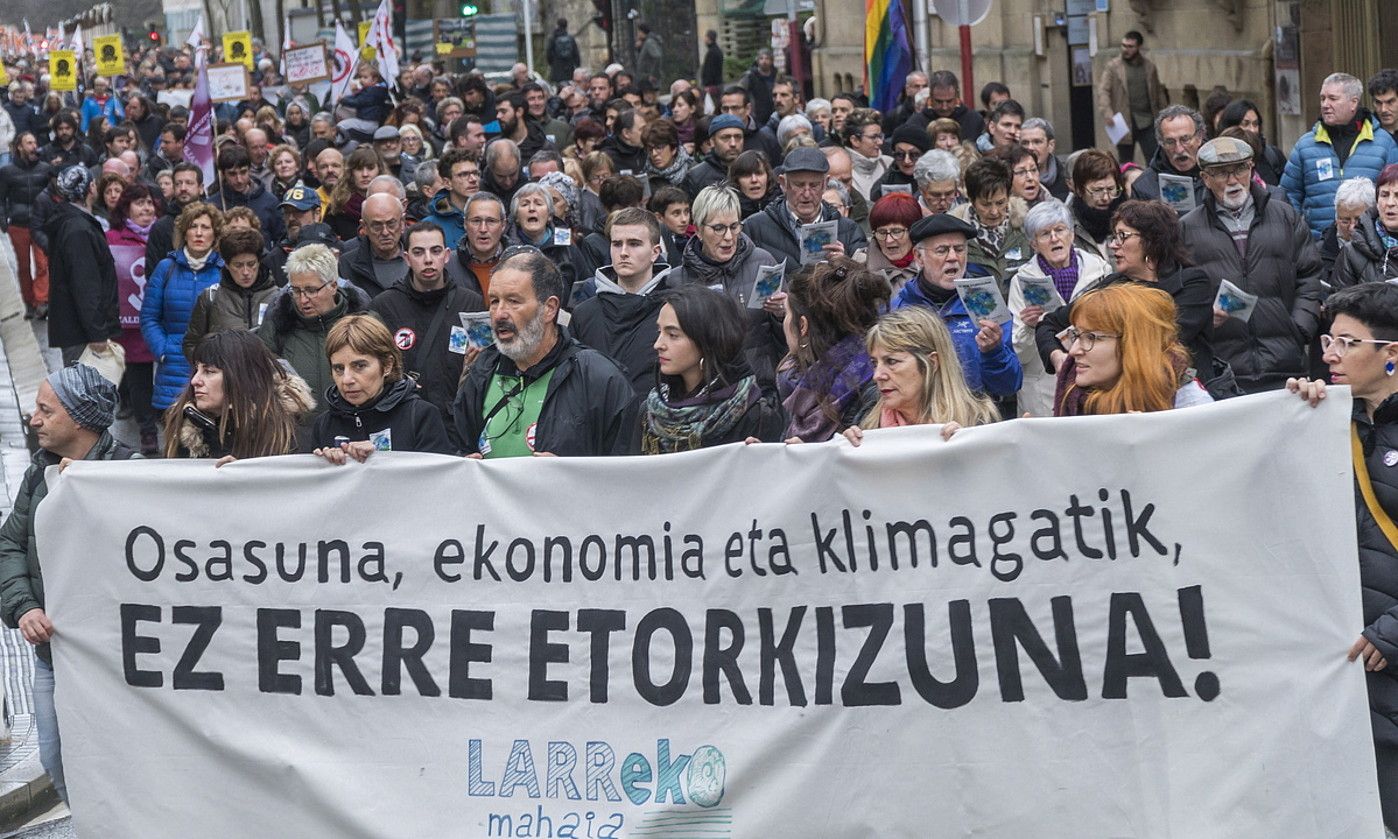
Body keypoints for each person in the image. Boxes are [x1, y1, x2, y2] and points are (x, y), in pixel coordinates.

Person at [1286, 282, 1398, 834]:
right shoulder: (1327, 418)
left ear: (1391, 354)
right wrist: (1293, 418)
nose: (1328, 354)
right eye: (1327, 340)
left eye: (1347, 343)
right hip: (1355, 658)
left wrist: (1393, 631)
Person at [0, 364, 137, 807]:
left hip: (118, 660)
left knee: (126, 765)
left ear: (79, 419)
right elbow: (8, 546)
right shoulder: (36, 474)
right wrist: (23, 608)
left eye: (46, 410)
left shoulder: (133, 475)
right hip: (52, 655)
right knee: (58, 759)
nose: (33, 419)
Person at [454, 247, 634, 457]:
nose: (499, 314)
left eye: (513, 301)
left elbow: (623, 474)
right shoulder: (482, 370)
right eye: (494, 301)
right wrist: (465, 465)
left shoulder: (600, 379)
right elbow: (458, 447)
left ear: (549, 308)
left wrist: (568, 475)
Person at [1179, 137, 1324, 393]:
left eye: (1240, 169)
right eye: (1222, 173)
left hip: (1285, 365)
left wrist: (1298, 328)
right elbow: (1180, 293)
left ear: (1252, 168)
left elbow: (1310, 275)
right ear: (1205, 178)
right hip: (1223, 368)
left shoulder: (1285, 216)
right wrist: (1204, 321)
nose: (1233, 180)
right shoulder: (1187, 228)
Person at [1037, 200, 1217, 394]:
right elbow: (1048, 324)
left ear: (1152, 240)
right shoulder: (1112, 285)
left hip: (1186, 399)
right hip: (1127, 400)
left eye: (1122, 236)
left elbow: (1158, 340)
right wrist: (1057, 357)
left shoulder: (1192, 284)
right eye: (1114, 237)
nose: (1114, 245)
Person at [368, 222, 485, 441]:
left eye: (436, 251)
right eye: (419, 252)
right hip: (403, 421)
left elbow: (486, 366)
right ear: (406, 258)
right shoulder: (384, 307)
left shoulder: (471, 303)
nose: (428, 259)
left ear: (447, 255)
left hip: (456, 425)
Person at [641, 285, 786, 452]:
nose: (658, 344)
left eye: (673, 335)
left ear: (707, 340)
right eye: (659, 331)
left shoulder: (753, 414)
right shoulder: (651, 410)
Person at [892, 214, 1022, 400]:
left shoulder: (986, 303)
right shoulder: (900, 308)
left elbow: (1010, 385)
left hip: (976, 421)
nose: (953, 257)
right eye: (942, 250)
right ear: (919, 257)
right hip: (922, 421)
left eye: (959, 249)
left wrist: (994, 352)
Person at [1009, 199, 1112, 417]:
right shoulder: (1021, 281)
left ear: (1072, 234)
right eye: (1045, 234)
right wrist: (1029, 328)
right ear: (1033, 244)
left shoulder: (1100, 270)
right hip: (1043, 391)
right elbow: (1020, 355)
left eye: (1060, 230)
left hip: (1094, 385)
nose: (1054, 238)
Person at [842, 306, 999, 446]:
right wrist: (848, 455)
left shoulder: (979, 420)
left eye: (891, 361)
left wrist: (969, 451)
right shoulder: (867, 424)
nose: (877, 376)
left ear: (932, 362)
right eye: (875, 363)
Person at [1053, 283, 1213, 415]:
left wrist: (1152, 441)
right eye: (1076, 335)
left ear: (1133, 344)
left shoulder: (1192, 406)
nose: (1073, 351)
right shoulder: (1072, 394)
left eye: (1091, 337)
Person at [258, 243, 374, 425]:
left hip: (355, 433)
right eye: (296, 291)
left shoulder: (364, 322)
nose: (303, 300)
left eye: (312, 290)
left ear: (333, 286)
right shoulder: (278, 326)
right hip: (297, 437)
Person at [310, 315, 453, 461]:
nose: (347, 380)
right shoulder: (324, 425)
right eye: (339, 368)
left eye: (359, 366)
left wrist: (379, 460)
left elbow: (438, 478)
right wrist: (326, 466)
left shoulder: (420, 416)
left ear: (387, 365)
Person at [777, 258, 889, 442]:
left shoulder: (875, 389)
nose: (785, 322)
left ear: (802, 326)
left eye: (787, 314)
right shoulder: (800, 381)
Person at [571, 208, 676, 396]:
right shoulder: (584, 314)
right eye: (617, 244)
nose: (624, 252)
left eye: (634, 244)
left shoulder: (676, 310)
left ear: (655, 252)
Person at [165, 330, 313, 460]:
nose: (195, 381)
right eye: (196, 370)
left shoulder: (287, 434)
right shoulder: (185, 427)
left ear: (241, 377)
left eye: (209, 371)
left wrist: (243, 474)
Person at [1284, 72, 1398, 239]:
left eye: (1333, 98)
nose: (1325, 104)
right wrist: (1300, 236)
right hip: (1318, 247)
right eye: (1322, 98)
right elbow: (1288, 195)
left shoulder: (1384, 143)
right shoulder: (1305, 145)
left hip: (1371, 247)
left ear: (1354, 102)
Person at [141, 202, 226, 414]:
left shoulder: (223, 270)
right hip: (173, 366)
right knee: (174, 439)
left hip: (213, 367)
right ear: (184, 232)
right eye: (193, 226)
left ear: (214, 234)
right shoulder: (166, 268)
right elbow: (149, 317)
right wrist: (162, 350)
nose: (198, 233)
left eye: (205, 227)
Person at [105, 183, 162, 454]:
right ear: (127, 207)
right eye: (140, 203)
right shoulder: (113, 238)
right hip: (131, 323)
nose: (146, 208)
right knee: (139, 377)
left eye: (150, 203)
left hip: (162, 316)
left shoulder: (163, 234)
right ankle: (147, 429)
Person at [45, 166, 121, 365]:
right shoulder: (78, 229)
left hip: (79, 331)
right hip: (82, 336)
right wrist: (97, 332)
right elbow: (85, 284)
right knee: (84, 392)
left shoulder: (74, 223)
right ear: (91, 188)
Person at [744, 147, 867, 267]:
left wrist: (845, 265)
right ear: (783, 183)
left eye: (814, 185)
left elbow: (866, 282)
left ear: (825, 184)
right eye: (799, 185)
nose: (807, 194)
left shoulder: (849, 230)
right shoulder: (755, 228)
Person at [183, 228, 279, 359]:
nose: (246, 272)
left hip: (267, 376)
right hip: (224, 376)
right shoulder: (210, 297)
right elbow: (192, 343)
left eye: (251, 264)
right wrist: (209, 369)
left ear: (259, 262)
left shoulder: (277, 297)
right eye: (238, 265)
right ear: (227, 265)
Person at [951, 157, 1030, 289]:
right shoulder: (956, 234)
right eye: (986, 204)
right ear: (971, 200)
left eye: (1000, 203)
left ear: (1009, 196)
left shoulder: (1024, 227)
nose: (994, 211)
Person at [0, 132, 53, 318]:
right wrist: (4, 221)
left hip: (40, 224)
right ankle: (29, 301)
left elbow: (51, 196)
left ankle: (41, 300)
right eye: (28, 143)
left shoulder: (45, 169)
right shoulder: (7, 172)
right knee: (23, 265)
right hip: (18, 224)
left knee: (42, 264)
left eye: (34, 142)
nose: (33, 146)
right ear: (19, 147)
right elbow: (1, 197)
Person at [1096, 30, 1168, 165]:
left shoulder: (1149, 67)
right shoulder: (1113, 67)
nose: (1125, 49)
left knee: (1154, 157)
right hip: (1122, 121)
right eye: (1124, 45)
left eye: (1130, 47)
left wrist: (1164, 115)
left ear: (1138, 47)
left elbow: (1158, 93)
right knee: (1125, 160)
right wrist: (1107, 113)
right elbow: (1103, 91)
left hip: (1147, 120)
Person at [1130, 106, 1208, 212]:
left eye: (1185, 139)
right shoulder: (1144, 187)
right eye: (1170, 142)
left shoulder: (1219, 174)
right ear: (1161, 143)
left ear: (1199, 138)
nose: (1179, 149)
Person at [1333, 163, 1398, 286]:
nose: (1390, 203)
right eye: (1384, 195)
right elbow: (1341, 302)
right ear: (1377, 202)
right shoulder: (1352, 252)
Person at [207, 144, 284, 242]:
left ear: (250, 170)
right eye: (232, 174)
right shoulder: (212, 206)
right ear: (222, 174)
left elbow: (280, 239)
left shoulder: (270, 201)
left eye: (243, 172)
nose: (239, 180)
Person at [339, 193, 408, 299]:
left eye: (391, 224)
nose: (385, 232)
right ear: (364, 227)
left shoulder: (420, 257)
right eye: (377, 225)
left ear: (402, 223)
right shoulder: (348, 264)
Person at [446, 192, 509, 297]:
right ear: (465, 224)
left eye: (491, 221)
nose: (483, 229)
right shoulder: (446, 265)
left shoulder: (520, 264)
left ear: (503, 225)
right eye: (476, 221)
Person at [1069, 149, 1125, 262]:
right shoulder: (1066, 225)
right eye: (1097, 190)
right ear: (1079, 190)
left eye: (1111, 189)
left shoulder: (1128, 222)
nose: (1106, 198)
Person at [1216, 99, 1288, 186]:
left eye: (1255, 124)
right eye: (1245, 124)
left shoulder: (1272, 156)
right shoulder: (1216, 157)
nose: (1252, 130)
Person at [323, 146, 386, 242]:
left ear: (379, 170)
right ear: (351, 173)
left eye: (370, 168)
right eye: (359, 169)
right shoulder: (336, 208)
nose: (365, 174)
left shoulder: (392, 203)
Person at [865, 193, 922, 295]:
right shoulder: (860, 267)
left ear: (913, 231)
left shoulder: (932, 265)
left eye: (896, 231)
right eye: (882, 232)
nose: (889, 240)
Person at [906, 70, 985, 141]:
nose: (944, 107)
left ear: (957, 95)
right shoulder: (916, 123)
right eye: (939, 102)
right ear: (930, 96)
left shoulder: (974, 120)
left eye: (949, 101)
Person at [1323, 177, 1377, 280]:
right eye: (1345, 221)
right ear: (1336, 219)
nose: (1352, 228)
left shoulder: (1387, 250)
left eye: (1358, 220)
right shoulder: (1318, 252)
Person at [684, 114, 747, 199]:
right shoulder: (696, 177)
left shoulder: (754, 171)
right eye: (725, 138)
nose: (733, 144)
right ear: (712, 141)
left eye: (738, 137)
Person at [870, 124, 929, 202]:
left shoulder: (937, 180)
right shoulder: (884, 184)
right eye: (900, 154)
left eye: (914, 155)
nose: (906, 161)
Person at [843, 109, 890, 200]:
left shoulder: (889, 164)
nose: (880, 142)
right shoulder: (841, 169)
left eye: (880, 136)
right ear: (855, 140)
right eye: (873, 137)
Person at [728, 150, 780, 219]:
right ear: (737, 181)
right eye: (746, 175)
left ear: (768, 176)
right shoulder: (728, 212)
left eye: (759, 173)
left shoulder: (782, 207)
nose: (754, 180)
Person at [912, 149, 962, 216]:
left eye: (949, 194)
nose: (943, 203)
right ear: (921, 190)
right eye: (936, 195)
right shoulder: (910, 215)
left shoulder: (967, 213)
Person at [546, 19, 580, 84]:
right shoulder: (571, 39)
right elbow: (576, 54)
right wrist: (577, 67)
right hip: (569, 68)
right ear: (566, 26)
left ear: (558, 25)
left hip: (557, 67)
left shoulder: (553, 38)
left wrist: (552, 63)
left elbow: (549, 54)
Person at [701, 31, 725, 104]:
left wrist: (707, 84)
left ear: (709, 38)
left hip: (712, 86)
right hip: (717, 84)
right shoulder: (717, 51)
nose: (704, 39)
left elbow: (710, 70)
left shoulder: (712, 53)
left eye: (705, 37)